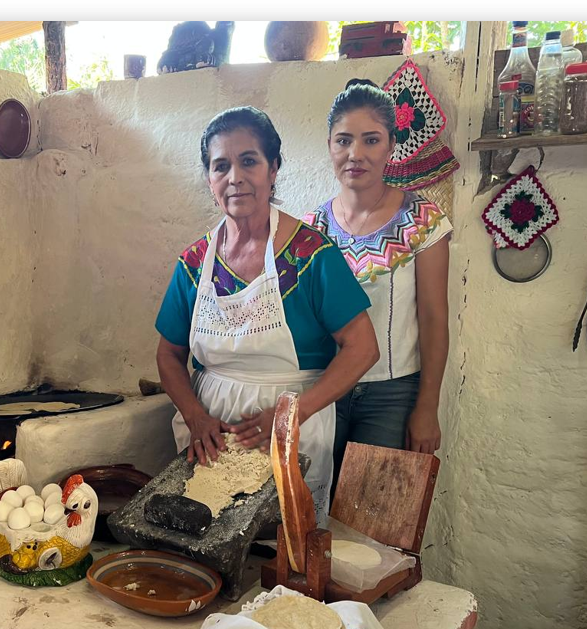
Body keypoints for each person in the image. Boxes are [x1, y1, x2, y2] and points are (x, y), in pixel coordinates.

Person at [155, 107, 379, 523]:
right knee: (209, 534)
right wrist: (195, 415)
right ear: (209, 179)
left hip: (292, 428)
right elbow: (168, 355)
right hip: (212, 434)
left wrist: (293, 413)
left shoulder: (311, 254)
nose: (234, 177)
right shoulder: (194, 262)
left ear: (273, 169)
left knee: (282, 546)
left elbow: (363, 349)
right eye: (220, 166)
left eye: (249, 161)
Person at [303, 80, 452, 488]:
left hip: (392, 395)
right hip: (324, 389)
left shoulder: (423, 220)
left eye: (371, 140)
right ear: (330, 146)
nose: (356, 154)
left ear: (390, 147)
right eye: (344, 140)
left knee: (371, 519)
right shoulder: (311, 229)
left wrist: (427, 406)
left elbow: (435, 319)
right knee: (310, 507)